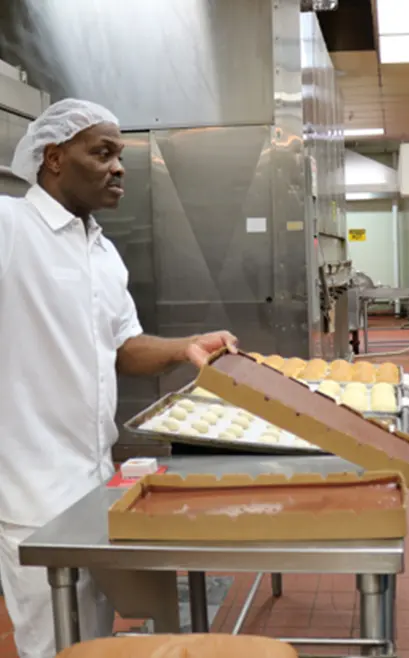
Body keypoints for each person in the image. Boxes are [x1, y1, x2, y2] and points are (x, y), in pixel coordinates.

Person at [0, 99, 238, 658]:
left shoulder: (103, 251)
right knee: (52, 642)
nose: (118, 168)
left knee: (93, 636)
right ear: (54, 158)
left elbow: (123, 349)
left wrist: (184, 347)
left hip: (94, 480)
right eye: (102, 153)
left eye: (120, 155)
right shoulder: (10, 226)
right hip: (28, 490)